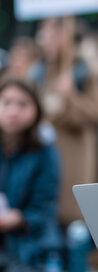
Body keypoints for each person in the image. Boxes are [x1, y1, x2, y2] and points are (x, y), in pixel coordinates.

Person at [28, 17, 98, 225]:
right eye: (44, 36)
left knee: (72, 220)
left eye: (53, 35)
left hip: (74, 158)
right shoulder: (39, 71)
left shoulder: (86, 70)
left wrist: (72, 95)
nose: (46, 41)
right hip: (44, 155)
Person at [0, 79, 63, 271]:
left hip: (32, 247)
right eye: (7, 102)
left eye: (22, 104)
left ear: (36, 110)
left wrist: (12, 219)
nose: (13, 111)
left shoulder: (45, 152)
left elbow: (43, 208)